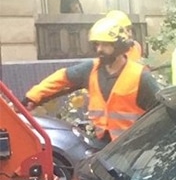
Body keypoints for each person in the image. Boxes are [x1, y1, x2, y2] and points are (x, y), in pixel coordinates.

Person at [22, 15, 161, 144]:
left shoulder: (140, 76)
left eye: (105, 44)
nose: (99, 49)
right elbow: (62, 77)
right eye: (97, 44)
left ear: (119, 45)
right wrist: (32, 97)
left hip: (132, 147)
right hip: (101, 143)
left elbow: (160, 111)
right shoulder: (91, 69)